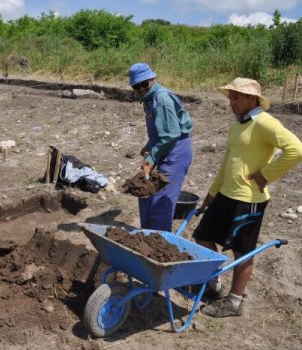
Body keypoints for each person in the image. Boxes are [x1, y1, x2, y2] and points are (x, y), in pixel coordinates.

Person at [193, 78, 302, 317]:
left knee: (241, 251)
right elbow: (227, 164)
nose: (231, 102)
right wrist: (212, 193)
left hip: (248, 199)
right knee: (203, 237)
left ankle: (234, 302)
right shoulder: (237, 126)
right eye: (230, 97)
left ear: (253, 99)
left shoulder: (265, 123)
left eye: (236, 98)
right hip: (225, 195)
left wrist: (266, 174)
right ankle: (213, 286)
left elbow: (296, 149)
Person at [128, 63, 193, 231]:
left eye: (144, 84)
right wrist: (149, 146)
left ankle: (159, 242)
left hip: (175, 152)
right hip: (163, 147)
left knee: (160, 201)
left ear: (152, 78)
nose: (141, 88)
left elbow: (171, 134)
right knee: (145, 192)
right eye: (136, 86)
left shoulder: (162, 98)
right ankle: (147, 235)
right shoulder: (149, 99)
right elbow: (161, 130)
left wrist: (151, 157)